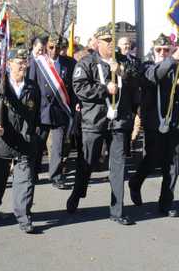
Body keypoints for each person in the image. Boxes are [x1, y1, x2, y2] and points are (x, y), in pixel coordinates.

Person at [67, 24, 140, 225]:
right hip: (95, 121)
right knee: (87, 163)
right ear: (98, 42)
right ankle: (77, 193)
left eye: (113, 41)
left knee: (118, 167)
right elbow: (80, 88)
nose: (111, 45)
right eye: (107, 41)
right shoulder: (87, 62)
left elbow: (138, 80)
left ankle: (117, 211)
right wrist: (104, 89)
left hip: (119, 122)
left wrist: (122, 72)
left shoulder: (123, 61)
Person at [0, 48, 40, 233]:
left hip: (25, 141)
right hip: (3, 141)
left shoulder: (32, 87)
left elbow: (35, 114)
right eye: (19, 62)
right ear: (9, 64)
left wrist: (33, 133)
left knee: (25, 182)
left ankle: (24, 218)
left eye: (25, 62)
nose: (23, 65)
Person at [129, 33, 179, 217]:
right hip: (154, 123)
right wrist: (173, 59)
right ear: (154, 50)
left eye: (167, 50)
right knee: (153, 159)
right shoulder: (147, 66)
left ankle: (166, 203)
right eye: (159, 50)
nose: (163, 53)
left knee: (173, 164)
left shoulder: (175, 68)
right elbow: (154, 76)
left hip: (174, 123)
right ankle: (136, 182)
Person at [29, 34, 76, 189]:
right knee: (37, 144)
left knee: (57, 146)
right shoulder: (37, 63)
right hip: (41, 110)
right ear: (46, 46)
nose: (54, 50)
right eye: (51, 47)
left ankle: (56, 176)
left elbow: (73, 87)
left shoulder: (69, 63)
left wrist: (76, 104)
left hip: (59, 110)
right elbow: (31, 86)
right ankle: (33, 172)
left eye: (57, 47)